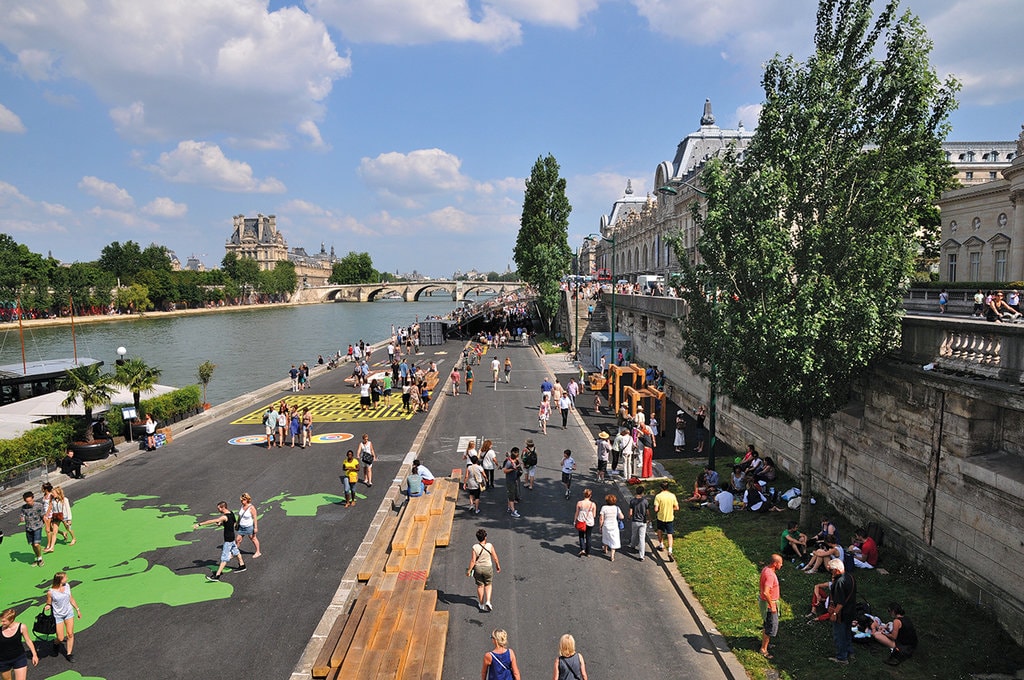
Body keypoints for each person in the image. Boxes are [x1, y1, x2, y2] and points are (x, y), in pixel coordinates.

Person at [193, 501, 247, 581]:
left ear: (223, 507)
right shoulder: (231, 513)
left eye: (219, 508)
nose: (218, 510)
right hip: (232, 537)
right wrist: (222, 524)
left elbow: (212, 521)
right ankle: (242, 565)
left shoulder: (224, 517)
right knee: (236, 552)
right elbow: (233, 523)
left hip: (228, 540)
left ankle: (217, 575)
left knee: (224, 558)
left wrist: (199, 524)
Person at [47, 571, 82, 662]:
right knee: (60, 638)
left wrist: (77, 609)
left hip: (69, 613)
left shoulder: (67, 586)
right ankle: (56, 644)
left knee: (70, 634)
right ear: (60, 580)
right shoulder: (51, 592)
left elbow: (71, 598)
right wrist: (47, 606)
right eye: (65, 577)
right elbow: (48, 603)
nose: (67, 579)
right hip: (58, 615)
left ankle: (69, 654)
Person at [827, 558, 857, 664]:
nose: (830, 572)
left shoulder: (839, 583)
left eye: (831, 570)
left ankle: (841, 657)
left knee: (839, 635)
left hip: (841, 613)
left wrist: (834, 613)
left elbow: (840, 602)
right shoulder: (850, 577)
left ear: (836, 570)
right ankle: (850, 652)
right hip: (851, 611)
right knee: (847, 633)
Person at [0, 607, 39, 678]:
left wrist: (34, 654)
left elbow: (28, 640)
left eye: (4, 621)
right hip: (3, 661)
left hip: (19, 658)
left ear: (11, 620)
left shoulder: (22, 627)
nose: (1, 623)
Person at [468, 529, 501, 612]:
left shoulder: (475, 547)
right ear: (485, 537)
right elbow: (495, 558)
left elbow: (473, 561)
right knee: (488, 585)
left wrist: (469, 570)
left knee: (480, 586)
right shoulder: (489, 545)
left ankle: (481, 604)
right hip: (488, 568)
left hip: (478, 569)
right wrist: (497, 566)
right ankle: (488, 601)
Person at [758, 554, 783, 659]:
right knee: (770, 627)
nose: (781, 565)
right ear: (775, 563)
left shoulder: (766, 569)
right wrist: (772, 605)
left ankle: (766, 644)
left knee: (766, 624)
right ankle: (764, 649)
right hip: (769, 605)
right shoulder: (770, 576)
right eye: (780, 563)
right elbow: (766, 592)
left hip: (766, 603)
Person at [19, 491, 45, 567]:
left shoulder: (39, 505)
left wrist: (47, 525)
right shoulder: (24, 508)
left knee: (36, 544)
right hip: (28, 528)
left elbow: (43, 516)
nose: (29, 502)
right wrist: (21, 518)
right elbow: (22, 515)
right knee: (33, 545)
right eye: (27, 501)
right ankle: (37, 558)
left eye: (30, 500)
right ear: (25, 501)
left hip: (37, 527)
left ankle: (40, 558)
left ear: (33, 498)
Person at [653, 481, 679, 559]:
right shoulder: (672, 496)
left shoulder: (658, 496)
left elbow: (656, 509)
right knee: (670, 534)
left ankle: (661, 545)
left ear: (661, 488)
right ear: (668, 487)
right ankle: (670, 550)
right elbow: (677, 507)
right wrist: (671, 508)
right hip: (670, 517)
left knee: (660, 531)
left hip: (661, 517)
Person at [599, 493, 624, 561]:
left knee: (605, 537)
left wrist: (600, 526)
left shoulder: (604, 507)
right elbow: (622, 516)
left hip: (606, 525)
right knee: (614, 539)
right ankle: (612, 556)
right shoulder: (616, 508)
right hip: (614, 526)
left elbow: (601, 518)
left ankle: (605, 549)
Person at [236, 493, 262, 558]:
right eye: (241, 500)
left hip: (249, 527)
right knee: (238, 539)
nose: (242, 501)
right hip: (241, 527)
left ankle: (258, 552)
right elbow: (240, 515)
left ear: (247, 499)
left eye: (243, 500)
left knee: (253, 538)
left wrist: (255, 527)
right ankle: (234, 552)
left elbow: (255, 517)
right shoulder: (242, 506)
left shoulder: (251, 508)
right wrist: (237, 523)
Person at [628, 485, 649, 560]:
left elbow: (630, 512)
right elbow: (647, 512)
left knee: (634, 534)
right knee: (642, 538)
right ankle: (641, 555)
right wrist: (649, 518)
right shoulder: (645, 501)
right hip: (643, 521)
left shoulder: (632, 501)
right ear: (642, 493)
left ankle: (632, 545)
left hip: (635, 521)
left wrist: (629, 517)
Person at [574, 489, 597, 557]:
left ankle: (582, 549)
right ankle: (588, 552)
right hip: (589, 522)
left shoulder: (579, 503)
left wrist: (575, 521)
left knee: (581, 536)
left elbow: (577, 513)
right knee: (588, 536)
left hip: (581, 521)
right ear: (590, 496)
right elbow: (594, 515)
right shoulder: (593, 504)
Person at [503, 449, 522, 518]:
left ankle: (509, 507)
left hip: (513, 480)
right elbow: (504, 471)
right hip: (510, 481)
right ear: (516, 457)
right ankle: (513, 511)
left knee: (511, 494)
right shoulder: (509, 463)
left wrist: (516, 466)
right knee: (511, 496)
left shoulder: (512, 461)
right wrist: (513, 469)